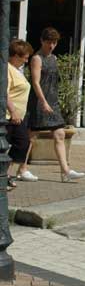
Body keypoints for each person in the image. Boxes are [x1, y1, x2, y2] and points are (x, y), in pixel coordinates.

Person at [22, 28, 84, 183]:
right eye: (49, 42)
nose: (51, 45)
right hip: (38, 101)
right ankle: (22, 169)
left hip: (53, 101)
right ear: (42, 41)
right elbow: (35, 82)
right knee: (31, 136)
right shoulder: (37, 58)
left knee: (60, 134)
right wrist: (43, 101)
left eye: (54, 42)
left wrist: (54, 100)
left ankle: (65, 171)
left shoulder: (54, 58)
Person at [6, 39, 33, 191]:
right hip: (9, 116)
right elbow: (4, 92)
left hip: (18, 117)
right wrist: (13, 111)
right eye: (25, 57)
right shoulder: (7, 69)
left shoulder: (17, 70)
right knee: (15, 144)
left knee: (23, 144)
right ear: (16, 55)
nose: (26, 60)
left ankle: (5, 174)